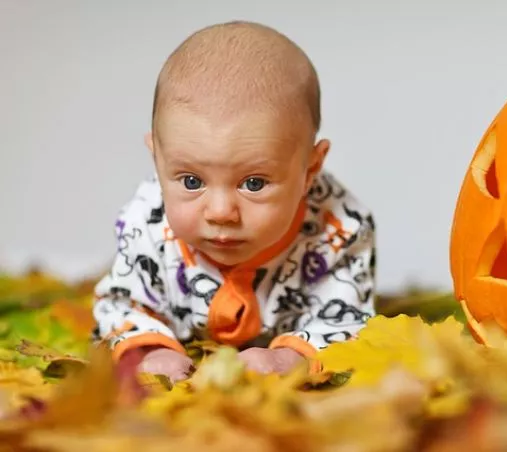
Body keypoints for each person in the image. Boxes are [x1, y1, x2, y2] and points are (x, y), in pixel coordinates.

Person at [91, 21, 376, 383]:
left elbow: (349, 317)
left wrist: (293, 357)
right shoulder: (145, 222)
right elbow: (120, 303)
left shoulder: (340, 229)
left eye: (253, 183)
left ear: (309, 170)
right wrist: (149, 348)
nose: (221, 212)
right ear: (157, 161)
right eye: (192, 181)